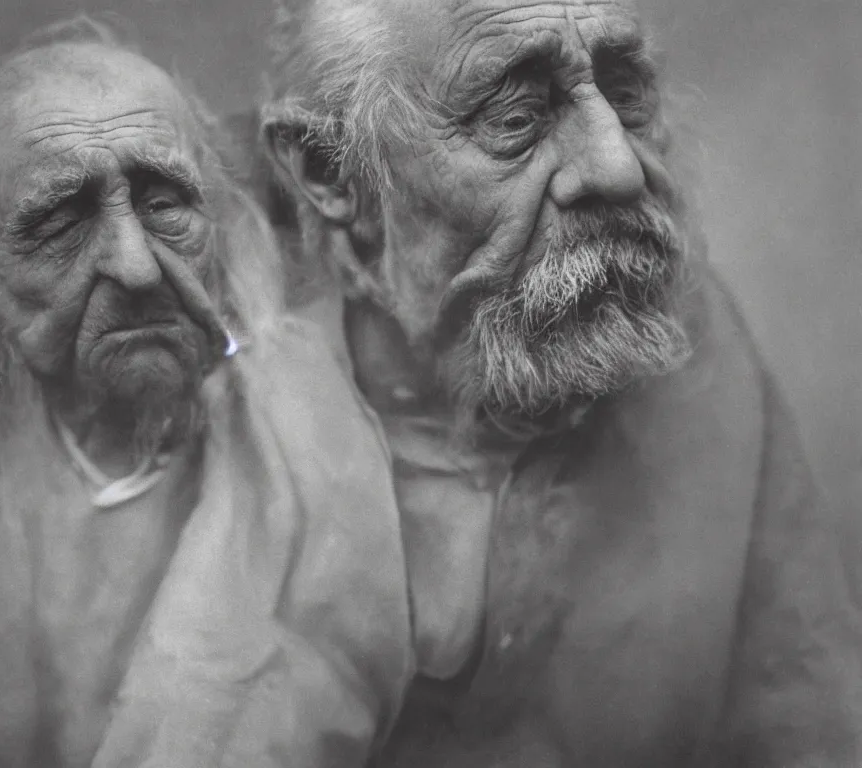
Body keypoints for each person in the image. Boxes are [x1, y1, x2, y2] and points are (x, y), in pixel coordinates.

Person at [251, 0, 862, 764]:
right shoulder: (236, 416)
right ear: (328, 171)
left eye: (625, 92)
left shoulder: (694, 343)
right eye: (515, 116)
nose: (617, 165)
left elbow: (810, 722)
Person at [0, 16, 412, 768]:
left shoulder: (327, 427)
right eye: (60, 222)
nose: (137, 268)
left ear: (224, 221)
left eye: (164, 200)